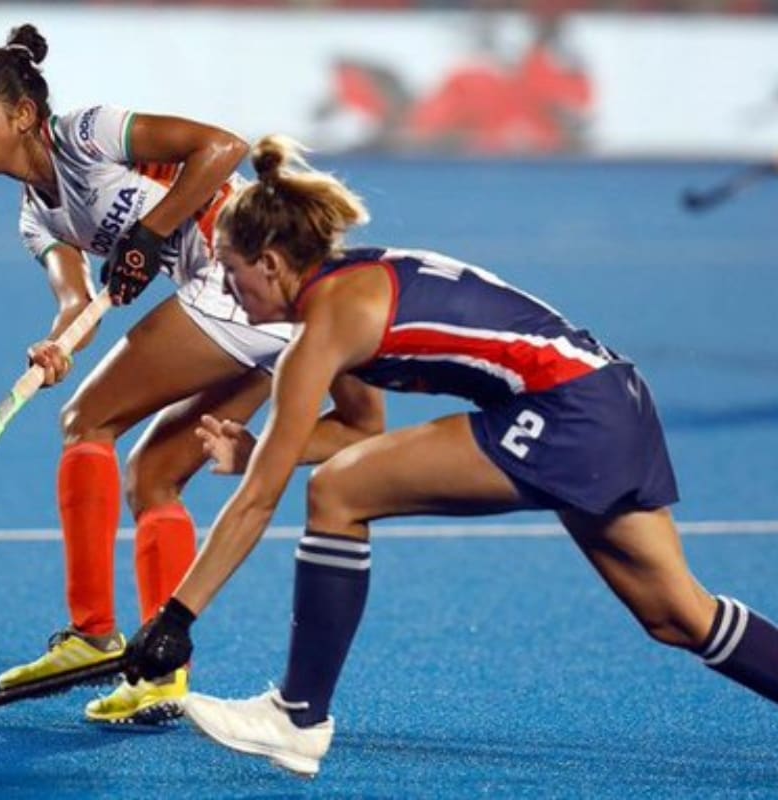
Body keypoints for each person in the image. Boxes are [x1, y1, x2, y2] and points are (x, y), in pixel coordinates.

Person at [123, 135, 778, 773]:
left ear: (270, 262)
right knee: (676, 615)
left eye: (230, 269)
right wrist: (263, 449)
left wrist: (177, 618)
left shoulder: (325, 326)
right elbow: (358, 429)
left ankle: (296, 718)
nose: (227, 287)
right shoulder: (336, 296)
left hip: (566, 410)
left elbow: (259, 501)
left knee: (338, 492)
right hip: (609, 398)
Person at [0, 26, 385, 726]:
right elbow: (75, 304)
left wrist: (150, 234)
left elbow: (223, 148)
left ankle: (92, 636)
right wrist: (57, 346)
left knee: (88, 422)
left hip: (248, 276)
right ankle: (162, 670)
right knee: (154, 476)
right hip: (259, 310)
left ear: (22, 114)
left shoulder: (88, 134)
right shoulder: (36, 218)